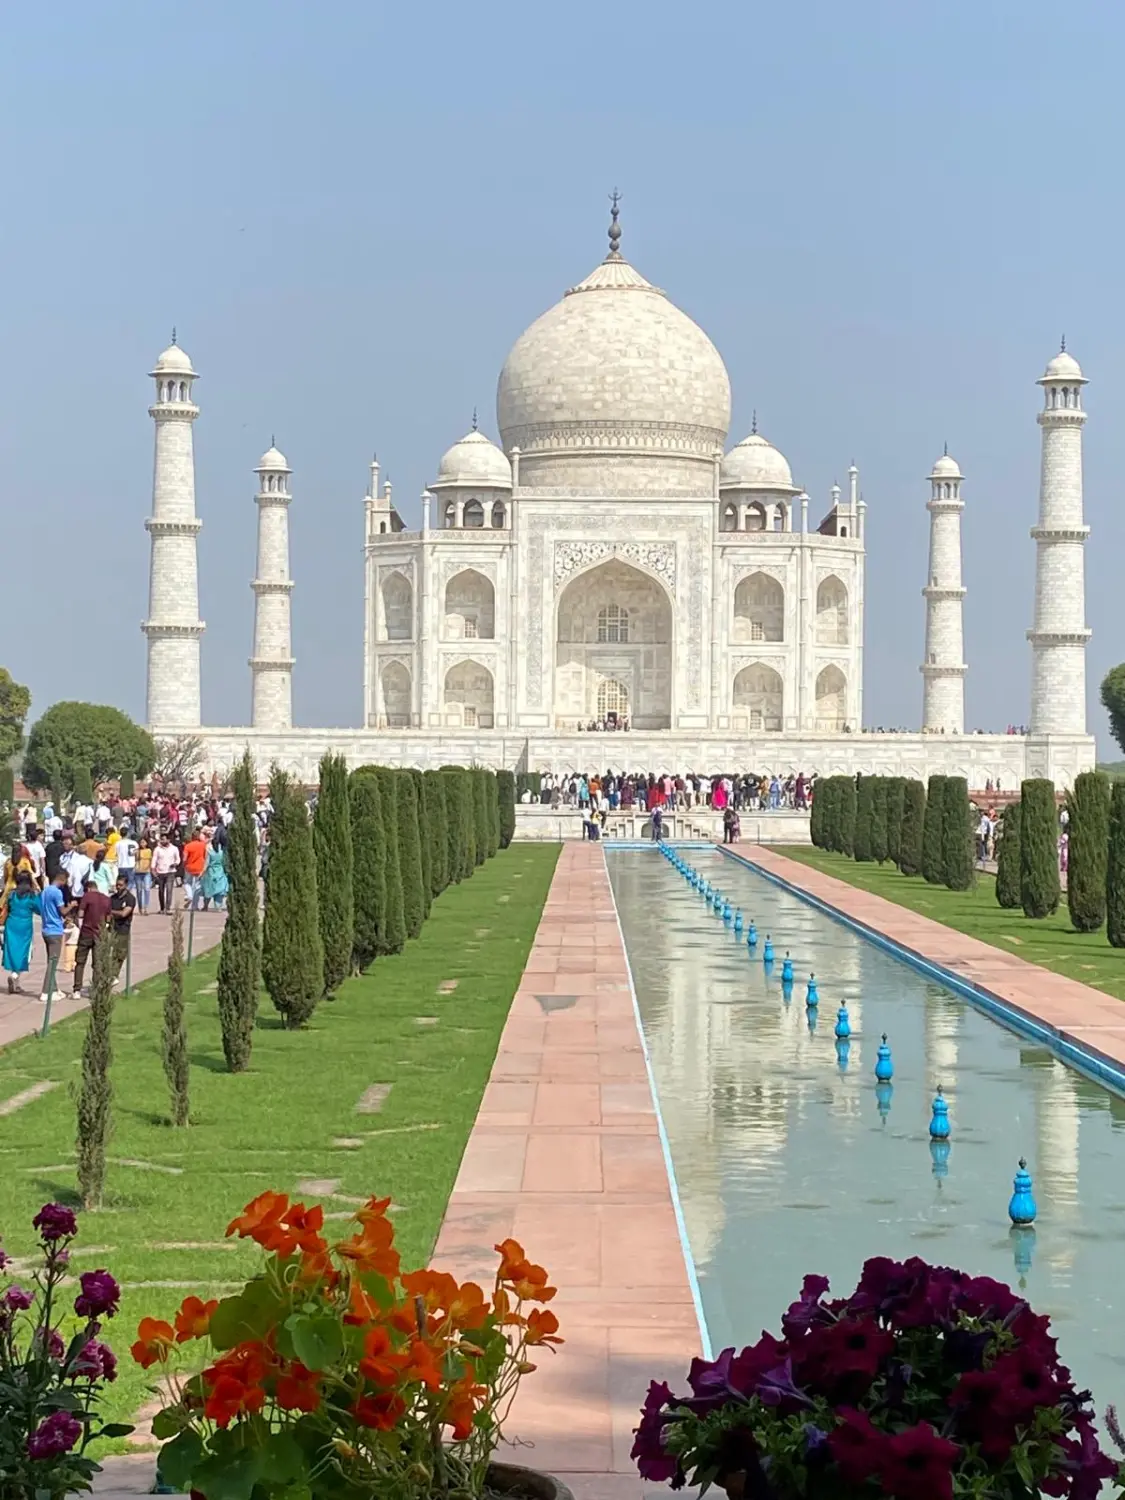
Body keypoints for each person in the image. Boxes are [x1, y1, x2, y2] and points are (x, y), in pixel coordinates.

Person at [1, 872, 41, 994]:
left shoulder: (12, 894)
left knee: (12, 951)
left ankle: (16, 983)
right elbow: (39, 910)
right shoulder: (31, 896)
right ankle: (15, 976)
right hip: (24, 926)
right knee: (25, 953)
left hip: (11, 924)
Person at [72, 885, 112, 995]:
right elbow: (108, 917)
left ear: (88, 888)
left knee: (80, 962)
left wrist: (80, 924)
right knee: (97, 963)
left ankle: (77, 989)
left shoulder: (87, 896)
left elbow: (81, 912)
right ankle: (95, 989)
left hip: (86, 932)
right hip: (100, 933)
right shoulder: (106, 899)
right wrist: (105, 927)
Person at [39, 868, 69, 995]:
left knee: (51, 960)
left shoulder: (45, 890)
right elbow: (62, 911)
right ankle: (46, 992)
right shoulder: (57, 893)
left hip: (46, 928)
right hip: (55, 930)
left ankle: (54, 989)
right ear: (62, 879)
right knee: (53, 963)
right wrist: (71, 906)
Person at [109, 873, 136, 981]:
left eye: (120, 885)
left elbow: (124, 914)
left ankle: (114, 975)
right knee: (109, 953)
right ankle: (109, 974)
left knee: (119, 953)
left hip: (123, 929)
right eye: (117, 885)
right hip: (111, 928)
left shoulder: (130, 898)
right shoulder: (113, 898)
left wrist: (110, 912)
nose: (118, 887)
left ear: (126, 885)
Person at [151, 833, 180, 914]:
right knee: (161, 890)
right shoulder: (157, 849)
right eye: (161, 839)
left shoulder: (174, 848)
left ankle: (168, 908)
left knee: (169, 890)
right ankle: (162, 908)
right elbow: (154, 859)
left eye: (164, 839)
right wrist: (153, 869)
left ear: (168, 840)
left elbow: (178, 859)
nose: (162, 841)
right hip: (160, 872)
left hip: (170, 872)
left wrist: (175, 864)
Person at [181, 829, 207, 909]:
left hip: (189, 867)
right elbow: (205, 856)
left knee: (187, 883)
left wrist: (183, 864)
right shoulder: (203, 845)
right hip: (199, 867)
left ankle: (189, 896)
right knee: (197, 886)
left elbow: (185, 858)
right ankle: (195, 905)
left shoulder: (188, 846)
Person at [200, 837, 228, 910]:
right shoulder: (221, 852)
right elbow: (224, 863)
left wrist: (202, 872)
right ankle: (218, 907)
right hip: (220, 872)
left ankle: (205, 906)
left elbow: (206, 863)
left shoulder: (210, 852)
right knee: (219, 891)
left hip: (211, 872)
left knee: (208, 890)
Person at [134, 835, 153, 914]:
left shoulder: (149, 850)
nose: (142, 844)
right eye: (141, 842)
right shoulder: (137, 851)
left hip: (147, 872)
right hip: (138, 872)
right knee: (139, 890)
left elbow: (151, 860)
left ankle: (145, 907)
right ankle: (140, 907)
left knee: (147, 889)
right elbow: (134, 860)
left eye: (144, 842)